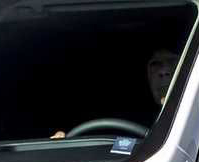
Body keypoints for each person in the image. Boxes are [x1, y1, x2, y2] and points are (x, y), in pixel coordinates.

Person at [52, 45, 181, 138]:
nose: (163, 71)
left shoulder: (191, 119)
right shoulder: (129, 119)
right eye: (155, 64)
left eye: (172, 61)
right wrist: (62, 144)